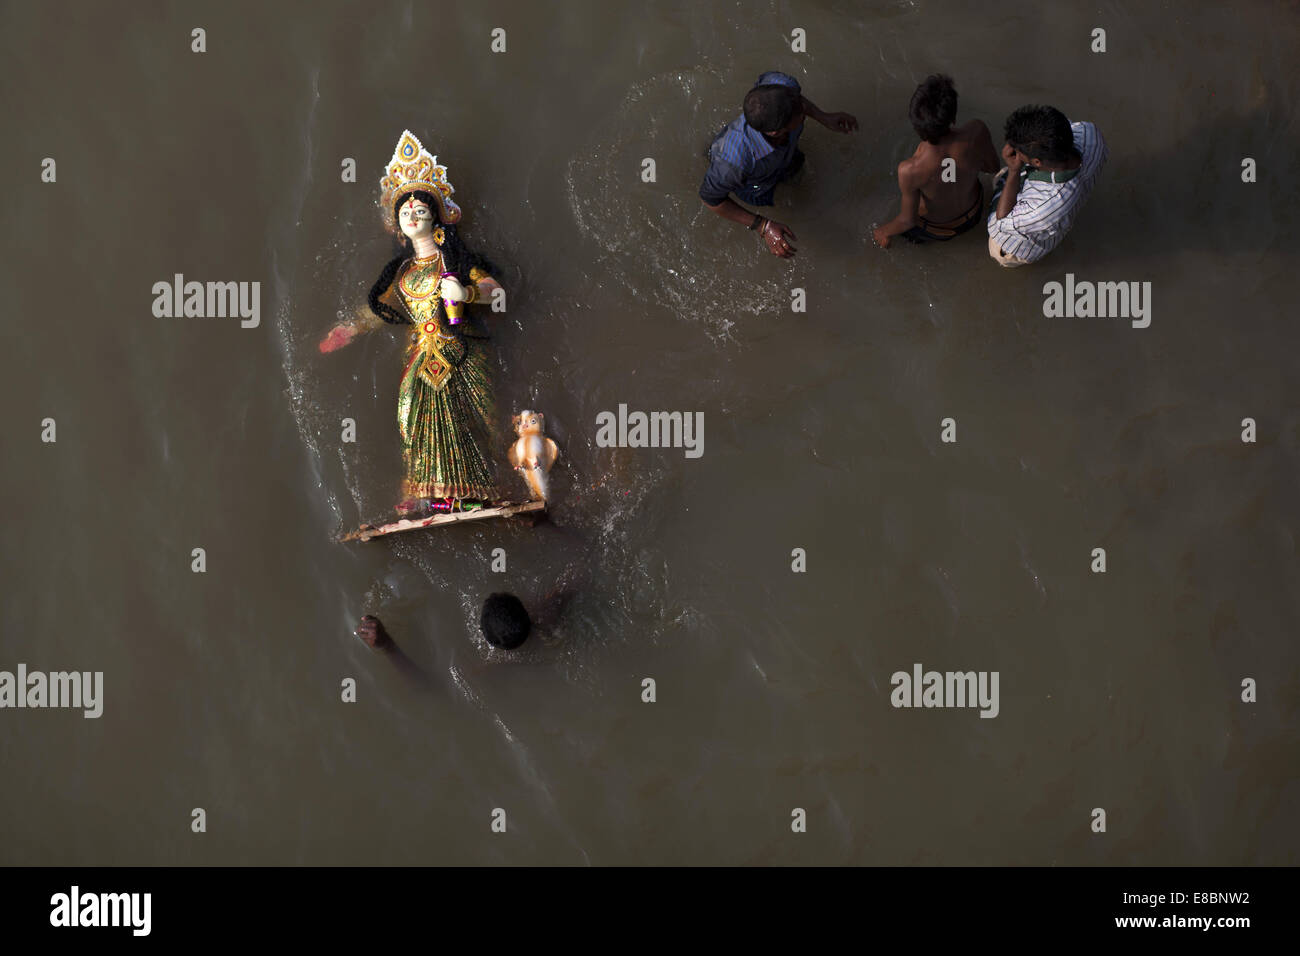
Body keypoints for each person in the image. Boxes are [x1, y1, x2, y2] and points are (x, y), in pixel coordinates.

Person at [319, 131, 505, 514]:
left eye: (420, 209)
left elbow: (495, 292)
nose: (413, 214)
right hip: (420, 352)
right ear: (398, 226)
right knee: (411, 412)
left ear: (437, 217)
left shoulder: (455, 262)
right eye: (405, 211)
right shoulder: (401, 273)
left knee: (467, 414)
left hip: (461, 346)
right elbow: (380, 309)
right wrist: (351, 329)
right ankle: (427, 493)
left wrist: (468, 294)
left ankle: (477, 493)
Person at [699, 71, 858, 259]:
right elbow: (710, 199)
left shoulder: (781, 87)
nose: (804, 112)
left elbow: (798, 102)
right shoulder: (734, 162)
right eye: (799, 114)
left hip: (786, 158)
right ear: (776, 132)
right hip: (757, 183)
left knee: (800, 176)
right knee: (793, 207)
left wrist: (824, 117)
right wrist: (762, 226)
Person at [872, 74, 999, 248]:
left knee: (895, 229)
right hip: (975, 213)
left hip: (937, 230)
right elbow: (993, 167)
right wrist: (963, 168)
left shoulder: (910, 170)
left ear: (916, 125)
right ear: (953, 118)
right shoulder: (976, 131)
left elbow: (907, 220)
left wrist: (883, 231)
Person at [987, 105, 1108, 267]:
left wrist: (1014, 171)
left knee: (998, 247)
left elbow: (1002, 221)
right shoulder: (1090, 133)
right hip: (1054, 214)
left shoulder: (1043, 208)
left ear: (1037, 162)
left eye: (1017, 150)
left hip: (1014, 244)